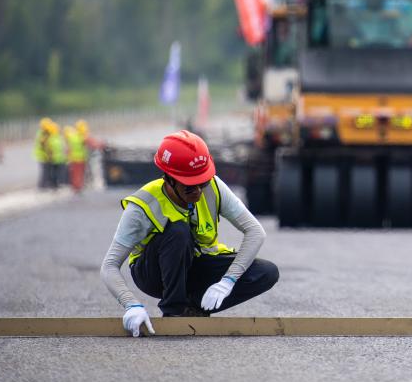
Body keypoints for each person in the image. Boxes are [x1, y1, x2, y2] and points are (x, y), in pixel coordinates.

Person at [100, 130, 279, 337]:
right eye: (190, 186)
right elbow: (109, 266)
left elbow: (255, 231)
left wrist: (228, 281)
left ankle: (194, 307)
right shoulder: (142, 206)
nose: (198, 191)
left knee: (266, 272)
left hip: (196, 263)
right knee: (178, 230)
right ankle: (174, 310)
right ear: (169, 179)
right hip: (155, 273)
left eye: (202, 182)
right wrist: (131, 305)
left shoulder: (213, 187)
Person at [33, 118, 55, 189]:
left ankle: (44, 184)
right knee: (45, 171)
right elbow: (44, 145)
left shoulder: (41, 133)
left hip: (42, 155)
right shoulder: (42, 134)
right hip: (43, 156)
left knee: (46, 170)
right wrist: (48, 155)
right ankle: (43, 185)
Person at [64, 125, 86, 192]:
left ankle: (75, 187)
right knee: (78, 174)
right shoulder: (81, 137)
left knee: (74, 174)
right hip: (79, 158)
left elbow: (68, 150)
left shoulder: (73, 137)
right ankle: (77, 187)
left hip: (74, 159)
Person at [48, 122, 67, 189]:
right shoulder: (57, 138)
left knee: (55, 173)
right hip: (57, 158)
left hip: (56, 158)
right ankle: (55, 185)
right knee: (56, 173)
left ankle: (56, 185)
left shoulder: (52, 138)